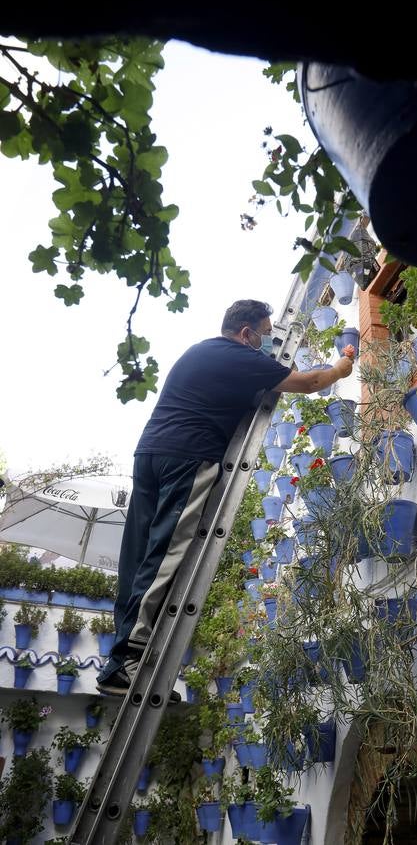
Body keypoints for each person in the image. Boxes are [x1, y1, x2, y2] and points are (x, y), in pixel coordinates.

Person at [97, 299, 354, 697]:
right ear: (246, 333)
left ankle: (118, 659)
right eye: (266, 334)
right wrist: (341, 367)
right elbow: (309, 383)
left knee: (137, 557)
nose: (269, 341)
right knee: (164, 555)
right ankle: (127, 662)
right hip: (189, 456)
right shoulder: (241, 357)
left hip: (150, 454)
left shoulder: (201, 351)